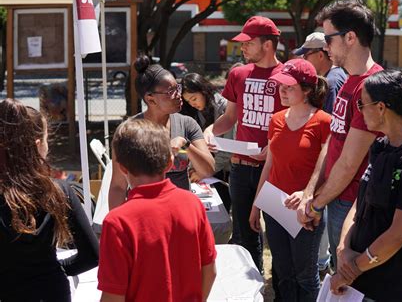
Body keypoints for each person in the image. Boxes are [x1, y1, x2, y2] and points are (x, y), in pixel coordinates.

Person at [330, 70, 402, 301]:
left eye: (362, 104)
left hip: (387, 282)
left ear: (381, 107)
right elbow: (359, 203)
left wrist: (353, 268)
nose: (360, 110)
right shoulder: (381, 146)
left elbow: (398, 235)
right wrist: (343, 250)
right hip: (358, 272)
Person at [295, 0, 384, 269]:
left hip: (354, 205)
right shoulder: (349, 80)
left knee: (348, 277)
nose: (325, 47)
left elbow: (349, 162)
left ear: (350, 37)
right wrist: (311, 191)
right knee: (338, 270)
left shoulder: (371, 85)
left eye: (328, 39)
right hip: (335, 198)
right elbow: (333, 141)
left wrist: (315, 205)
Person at [98, 119, 217, 302]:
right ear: (170, 163)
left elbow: (113, 296)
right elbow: (210, 271)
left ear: (122, 168)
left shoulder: (117, 222)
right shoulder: (193, 204)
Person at [203, 16, 285, 270]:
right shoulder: (238, 74)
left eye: (248, 42)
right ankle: (252, 283)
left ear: (268, 44)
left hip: (274, 170)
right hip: (240, 169)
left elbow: (296, 122)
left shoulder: (288, 76)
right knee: (243, 232)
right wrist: (209, 131)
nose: (243, 48)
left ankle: (282, 291)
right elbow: (229, 117)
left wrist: (272, 149)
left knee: (277, 233)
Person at [0, 99, 99, 301]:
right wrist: (58, 268)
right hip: (51, 291)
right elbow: (92, 254)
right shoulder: (59, 190)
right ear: (38, 145)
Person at [249, 59, 331, 301]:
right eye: (280, 86)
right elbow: (270, 165)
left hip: (306, 208)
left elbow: (331, 172)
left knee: (305, 274)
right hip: (273, 205)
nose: (282, 91)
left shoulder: (323, 122)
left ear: (306, 90)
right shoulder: (276, 119)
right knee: (282, 271)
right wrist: (256, 205)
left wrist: (309, 195)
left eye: (289, 87)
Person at [108, 55, 215, 210]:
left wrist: (186, 144)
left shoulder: (187, 124)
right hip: (143, 214)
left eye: (177, 87)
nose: (179, 95)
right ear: (150, 99)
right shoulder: (128, 131)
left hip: (180, 213)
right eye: (171, 91)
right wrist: (117, 221)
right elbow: (118, 186)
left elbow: (208, 170)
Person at [293, 31, 347, 275]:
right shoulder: (333, 77)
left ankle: (320, 268)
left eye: (307, 54)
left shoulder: (333, 81)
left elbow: (331, 131)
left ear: (323, 53)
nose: (304, 59)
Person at [181, 72, 233, 212]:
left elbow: (226, 149)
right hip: (211, 168)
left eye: (194, 98)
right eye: (188, 101)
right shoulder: (197, 112)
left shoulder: (223, 107)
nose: (193, 104)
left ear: (203, 91)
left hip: (227, 168)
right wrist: (194, 167)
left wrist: (204, 172)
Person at [293, 31, 347, 114]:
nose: (304, 60)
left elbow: (329, 121)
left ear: (320, 55)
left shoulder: (331, 82)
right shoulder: (333, 76)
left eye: (306, 56)